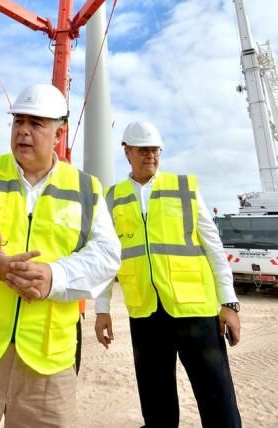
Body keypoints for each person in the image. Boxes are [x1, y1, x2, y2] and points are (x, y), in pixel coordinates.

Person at [0, 83, 121, 428]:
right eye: (18, 121)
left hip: (46, 366)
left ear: (60, 132)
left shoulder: (86, 190)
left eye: (37, 123)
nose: (24, 131)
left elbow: (106, 255)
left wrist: (54, 278)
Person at [94, 120, 242, 428]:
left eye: (155, 150)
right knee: (156, 401)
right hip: (146, 313)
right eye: (143, 150)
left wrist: (228, 303)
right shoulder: (112, 198)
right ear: (127, 152)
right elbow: (107, 257)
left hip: (195, 311)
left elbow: (214, 248)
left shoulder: (184, 188)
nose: (151, 156)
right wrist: (102, 308)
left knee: (217, 397)